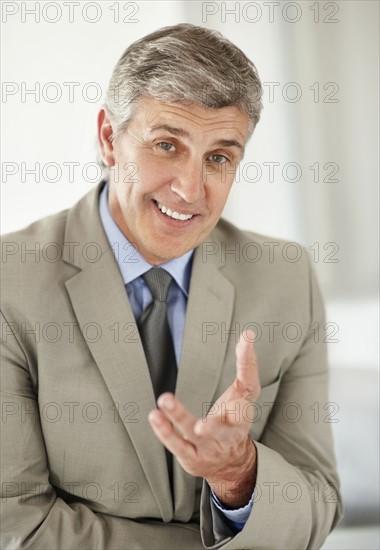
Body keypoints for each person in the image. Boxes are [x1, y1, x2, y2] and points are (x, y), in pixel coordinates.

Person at [0, 24, 343, 549]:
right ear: (109, 139)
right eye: (166, 145)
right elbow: (16, 524)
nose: (190, 190)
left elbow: (318, 504)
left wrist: (239, 476)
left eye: (219, 157)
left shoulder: (285, 277)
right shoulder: (11, 282)